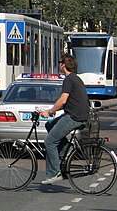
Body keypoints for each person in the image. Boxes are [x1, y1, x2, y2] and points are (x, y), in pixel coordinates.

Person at [38, 54, 90, 185]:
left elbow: (63, 100)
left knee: (49, 141)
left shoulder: (69, 79)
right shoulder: (75, 78)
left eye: (60, 62)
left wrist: (49, 111)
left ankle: (55, 173)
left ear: (63, 65)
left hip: (74, 116)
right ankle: (67, 151)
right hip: (77, 114)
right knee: (50, 125)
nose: (59, 65)